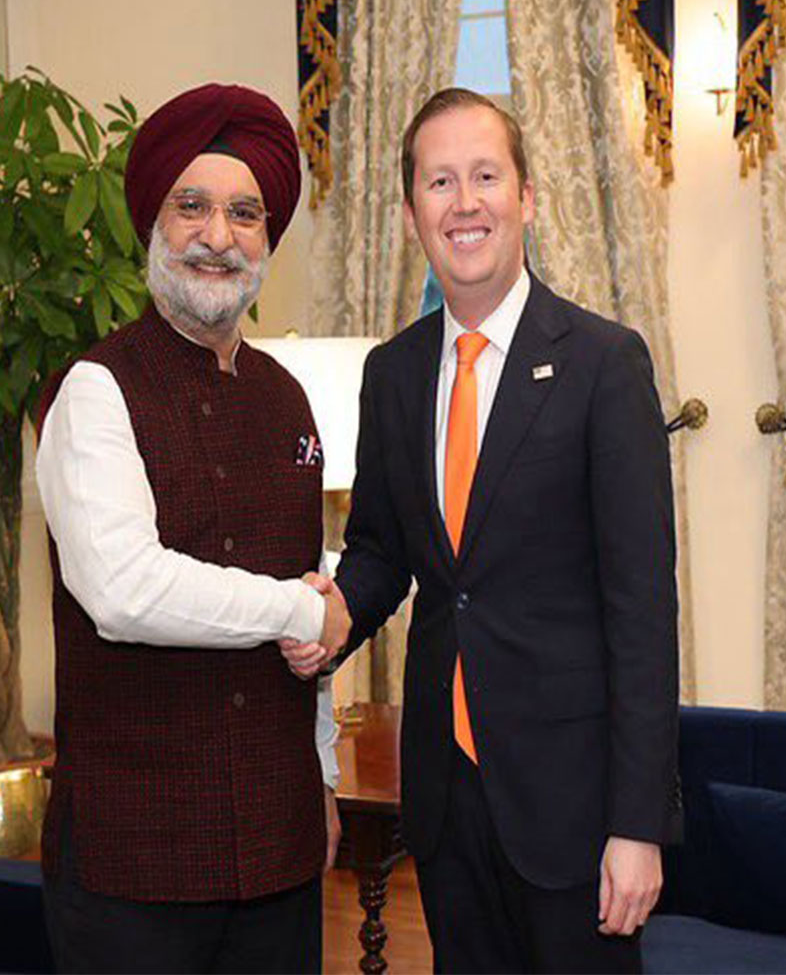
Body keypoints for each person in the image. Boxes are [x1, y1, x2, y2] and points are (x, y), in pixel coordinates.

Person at [284, 87, 681, 973]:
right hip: (447, 798)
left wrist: (637, 825)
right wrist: (334, 615)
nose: (464, 203)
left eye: (486, 177)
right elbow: (385, 548)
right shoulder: (392, 374)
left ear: (526, 197)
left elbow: (644, 614)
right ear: (412, 211)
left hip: (574, 807)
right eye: (439, 182)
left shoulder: (604, 364)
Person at [34, 83, 351, 974]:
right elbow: (124, 591)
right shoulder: (93, 390)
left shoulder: (288, 397)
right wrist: (298, 612)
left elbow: (310, 604)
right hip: (136, 865)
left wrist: (322, 778)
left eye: (246, 213)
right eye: (194, 206)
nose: (220, 236)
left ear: (268, 240)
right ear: (152, 227)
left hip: (279, 850)